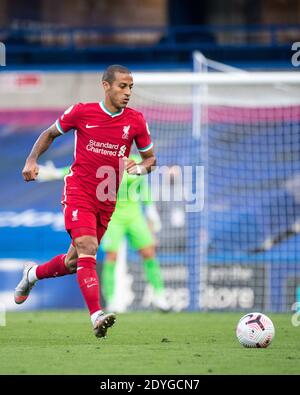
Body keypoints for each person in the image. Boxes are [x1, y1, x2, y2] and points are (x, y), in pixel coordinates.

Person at [15, 64, 156, 338]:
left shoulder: (135, 121)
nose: (127, 92)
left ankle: (31, 275)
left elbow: (150, 159)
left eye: (131, 87)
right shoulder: (81, 112)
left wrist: (138, 167)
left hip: (107, 199)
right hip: (79, 190)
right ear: (106, 86)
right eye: (122, 86)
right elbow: (50, 134)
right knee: (87, 246)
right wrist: (32, 160)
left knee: (73, 262)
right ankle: (96, 316)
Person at [37, 155, 170, 312]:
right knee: (112, 256)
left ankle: (160, 295)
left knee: (148, 252)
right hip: (112, 215)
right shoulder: (105, 157)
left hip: (134, 214)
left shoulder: (135, 159)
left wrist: (150, 210)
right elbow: (81, 169)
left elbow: (143, 187)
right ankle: (112, 299)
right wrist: (57, 173)